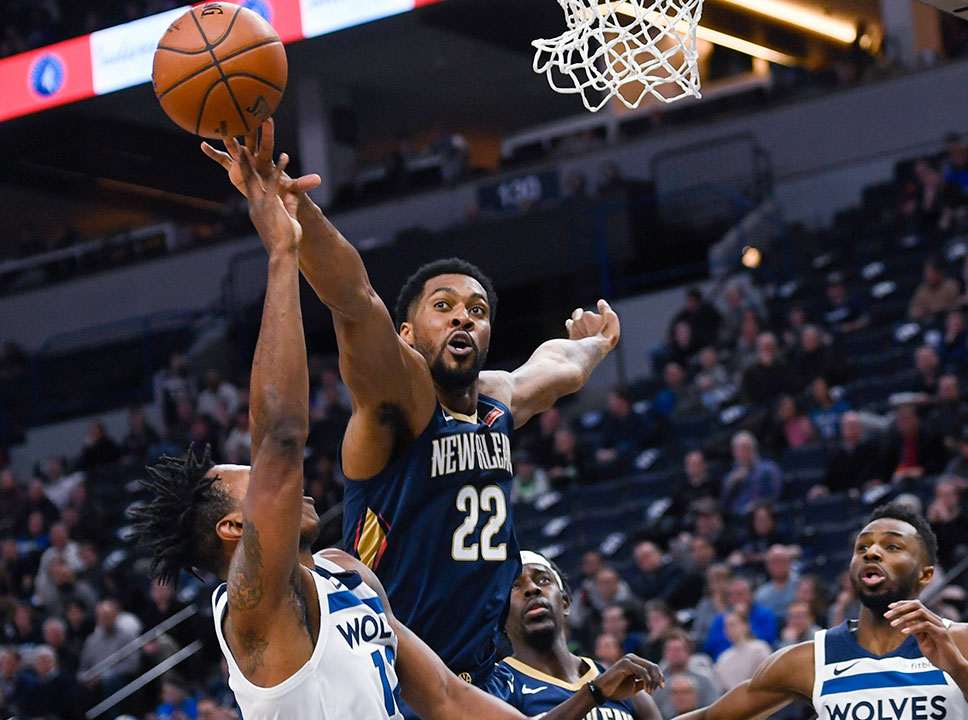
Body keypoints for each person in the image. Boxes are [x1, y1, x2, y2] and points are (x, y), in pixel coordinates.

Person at [129, 152, 658, 720]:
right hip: (414, 684)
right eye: (443, 306)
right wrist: (298, 217)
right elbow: (355, 302)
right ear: (405, 334)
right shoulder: (397, 404)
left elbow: (560, 367)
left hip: (471, 676)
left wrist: (596, 343)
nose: (463, 317)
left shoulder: (496, 401)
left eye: (477, 310)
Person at [670, 504, 968, 720]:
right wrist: (629, 704)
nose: (872, 553)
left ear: (925, 575)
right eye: (863, 547)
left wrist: (962, 673)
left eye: (892, 547)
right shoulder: (811, 659)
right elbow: (711, 717)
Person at [500, 551, 663, 720]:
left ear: (565, 603)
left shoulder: (621, 684)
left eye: (543, 580)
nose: (532, 589)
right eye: (514, 585)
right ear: (499, 616)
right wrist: (595, 692)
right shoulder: (496, 685)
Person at [712, 611, 773, 691]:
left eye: (733, 624)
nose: (729, 629)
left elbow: (765, 679)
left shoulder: (759, 648)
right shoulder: (723, 658)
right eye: (726, 626)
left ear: (746, 625)